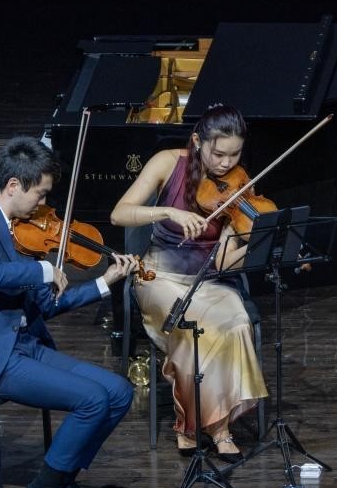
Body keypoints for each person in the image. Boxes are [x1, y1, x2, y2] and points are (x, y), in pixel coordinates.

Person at [0, 136, 139, 488]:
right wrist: (45, 269)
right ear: (14, 185)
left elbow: (46, 306)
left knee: (119, 392)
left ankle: (62, 480)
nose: (44, 204)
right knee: (92, 400)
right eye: (41, 194)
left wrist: (105, 282)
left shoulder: (21, 230)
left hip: (24, 342)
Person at [111, 104, 268, 461]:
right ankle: (216, 429)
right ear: (198, 141)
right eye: (218, 153)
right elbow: (119, 213)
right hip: (158, 277)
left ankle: (198, 425)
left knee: (236, 321)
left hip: (206, 279)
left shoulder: (238, 183)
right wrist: (169, 211)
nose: (226, 164)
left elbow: (224, 262)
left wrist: (260, 245)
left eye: (234, 154)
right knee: (195, 327)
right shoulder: (167, 162)